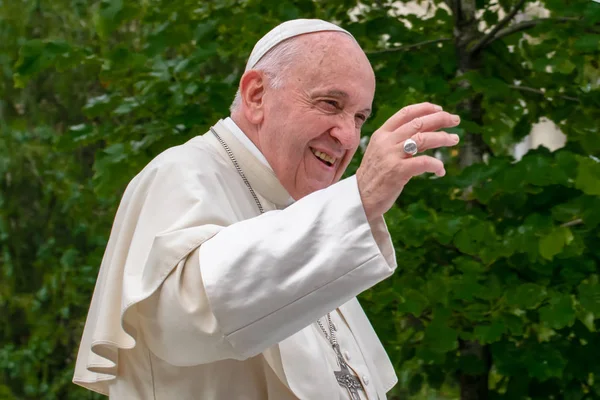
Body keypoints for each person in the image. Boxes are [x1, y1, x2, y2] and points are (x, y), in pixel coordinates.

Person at [73, 19, 460, 399]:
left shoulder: (294, 208)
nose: (348, 136)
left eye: (359, 118)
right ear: (257, 95)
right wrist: (357, 199)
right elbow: (179, 321)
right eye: (330, 103)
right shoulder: (182, 172)